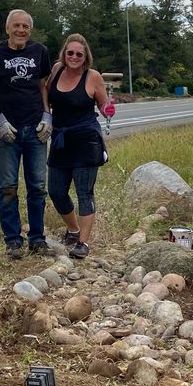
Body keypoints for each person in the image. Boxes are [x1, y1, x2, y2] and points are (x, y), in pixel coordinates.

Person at [0, 9, 54, 259]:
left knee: (37, 187)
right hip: (8, 132)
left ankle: (37, 239)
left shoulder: (40, 52)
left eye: (25, 26)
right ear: (7, 28)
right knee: (8, 188)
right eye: (16, 25)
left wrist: (48, 115)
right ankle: (13, 241)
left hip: (35, 130)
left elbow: (42, 85)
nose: (21, 30)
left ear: (30, 30)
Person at [46, 33, 115, 259]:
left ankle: (83, 243)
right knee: (56, 191)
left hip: (86, 141)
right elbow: (45, 93)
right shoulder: (56, 70)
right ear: (64, 54)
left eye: (79, 54)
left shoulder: (92, 76)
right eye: (70, 53)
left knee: (84, 192)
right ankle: (73, 229)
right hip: (60, 140)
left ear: (85, 57)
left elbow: (104, 104)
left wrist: (108, 109)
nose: (74, 57)